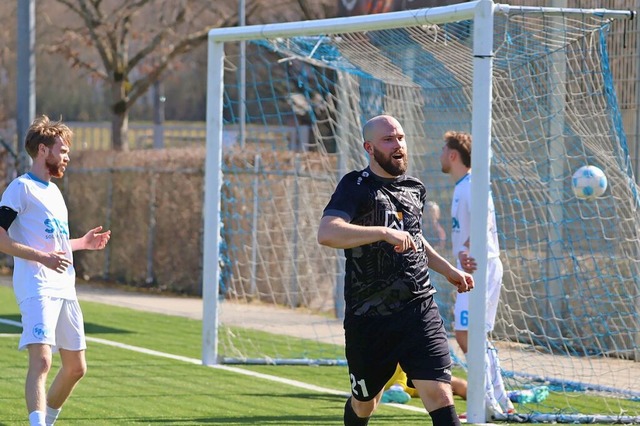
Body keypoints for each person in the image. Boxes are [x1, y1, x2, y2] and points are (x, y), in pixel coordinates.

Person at [317, 114, 474, 426]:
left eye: (400, 138)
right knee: (365, 404)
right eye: (388, 140)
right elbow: (328, 233)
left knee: (440, 395)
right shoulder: (356, 186)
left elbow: (415, 238)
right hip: (369, 317)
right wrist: (383, 232)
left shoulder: (415, 189)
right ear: (369, 148)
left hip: (419, 308)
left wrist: (447, 270)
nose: (398, 144)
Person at [0, 115, 111, 426]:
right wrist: (42, 259)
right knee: (43, 360)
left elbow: (55, 245)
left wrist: (81, 244)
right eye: (62, 149)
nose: (67, 156)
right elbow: (1, 238)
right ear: (42, 151)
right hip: (36, 286)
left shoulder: (55, 193)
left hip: (65, 287)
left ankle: (45, 421)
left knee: (76, 367)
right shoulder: (20, 188)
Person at [439, 130, 514, 418]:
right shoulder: (466, 186)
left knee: (466, 334)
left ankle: (484, 404)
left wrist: (469, 253)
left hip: (480, 267)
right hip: (480, 265)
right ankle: (499, 399)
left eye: (443, 149)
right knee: (475, 335)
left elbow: (482, 224)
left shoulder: (470, 186)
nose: (440, 155)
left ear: (454, 155)